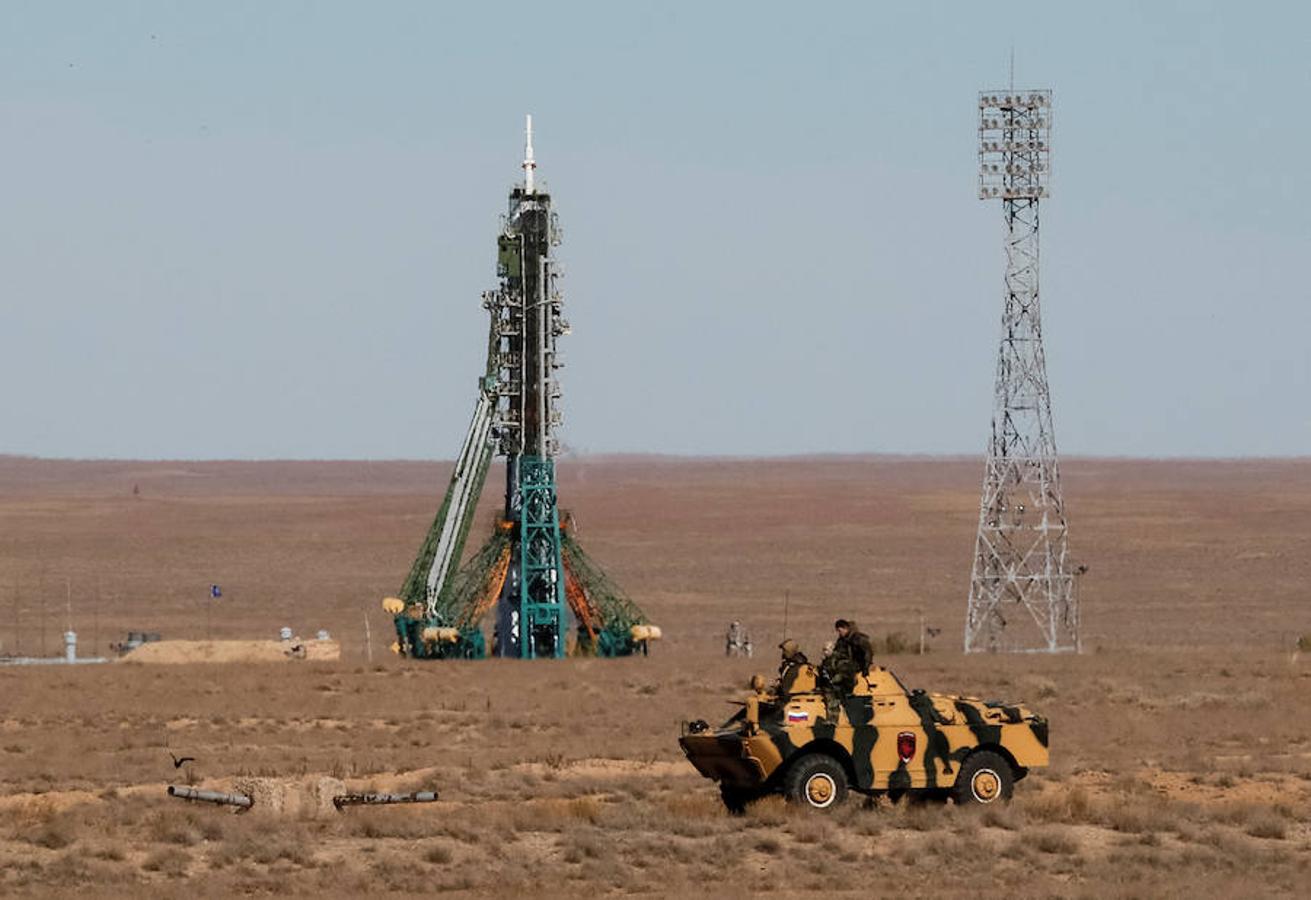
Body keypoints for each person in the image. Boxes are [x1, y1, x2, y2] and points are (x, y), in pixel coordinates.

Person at [823, 618, 873, 695]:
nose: (839, 633)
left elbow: (868, 653)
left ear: (845, 628)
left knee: (845, 670)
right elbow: (838, 651)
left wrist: (866, 667)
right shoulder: (842, 640)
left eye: (840, 631)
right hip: (847, 662)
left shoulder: (859, 639)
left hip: (858, 664)